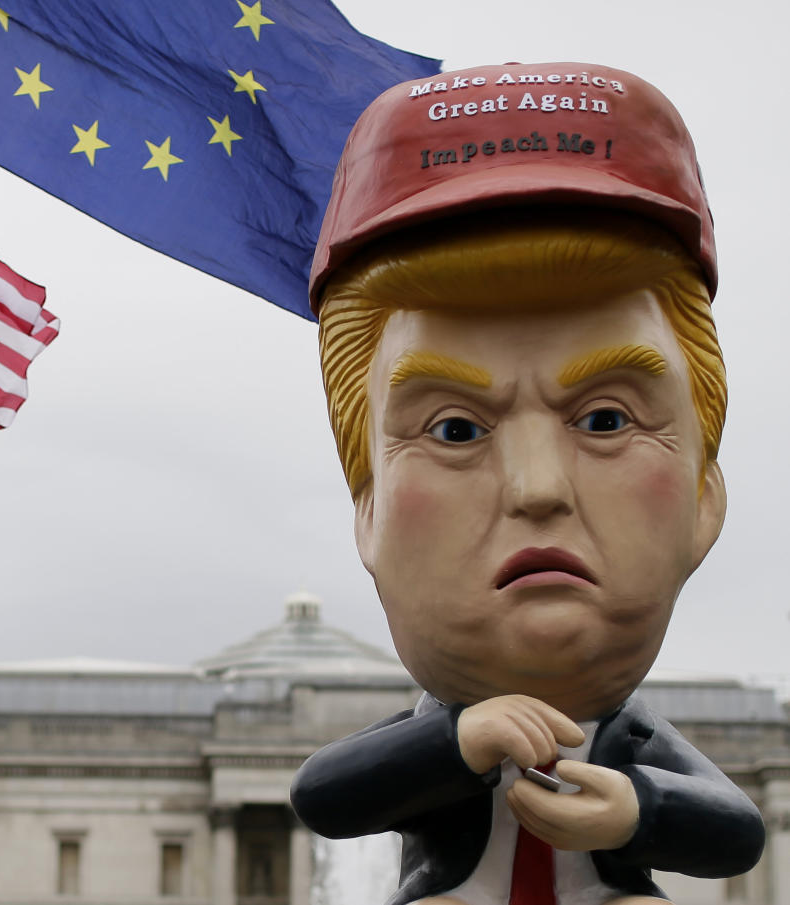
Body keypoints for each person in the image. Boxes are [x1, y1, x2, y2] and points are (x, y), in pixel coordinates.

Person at [289, 61, 765, 905]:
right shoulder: (435, 736)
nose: (536, 488)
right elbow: (325, 795)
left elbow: (734, 830)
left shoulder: (634, 740)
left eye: (607, 418)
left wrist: (637, 811)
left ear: (704, 497)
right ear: (368, 512)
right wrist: (458, 742)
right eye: (456, 429)